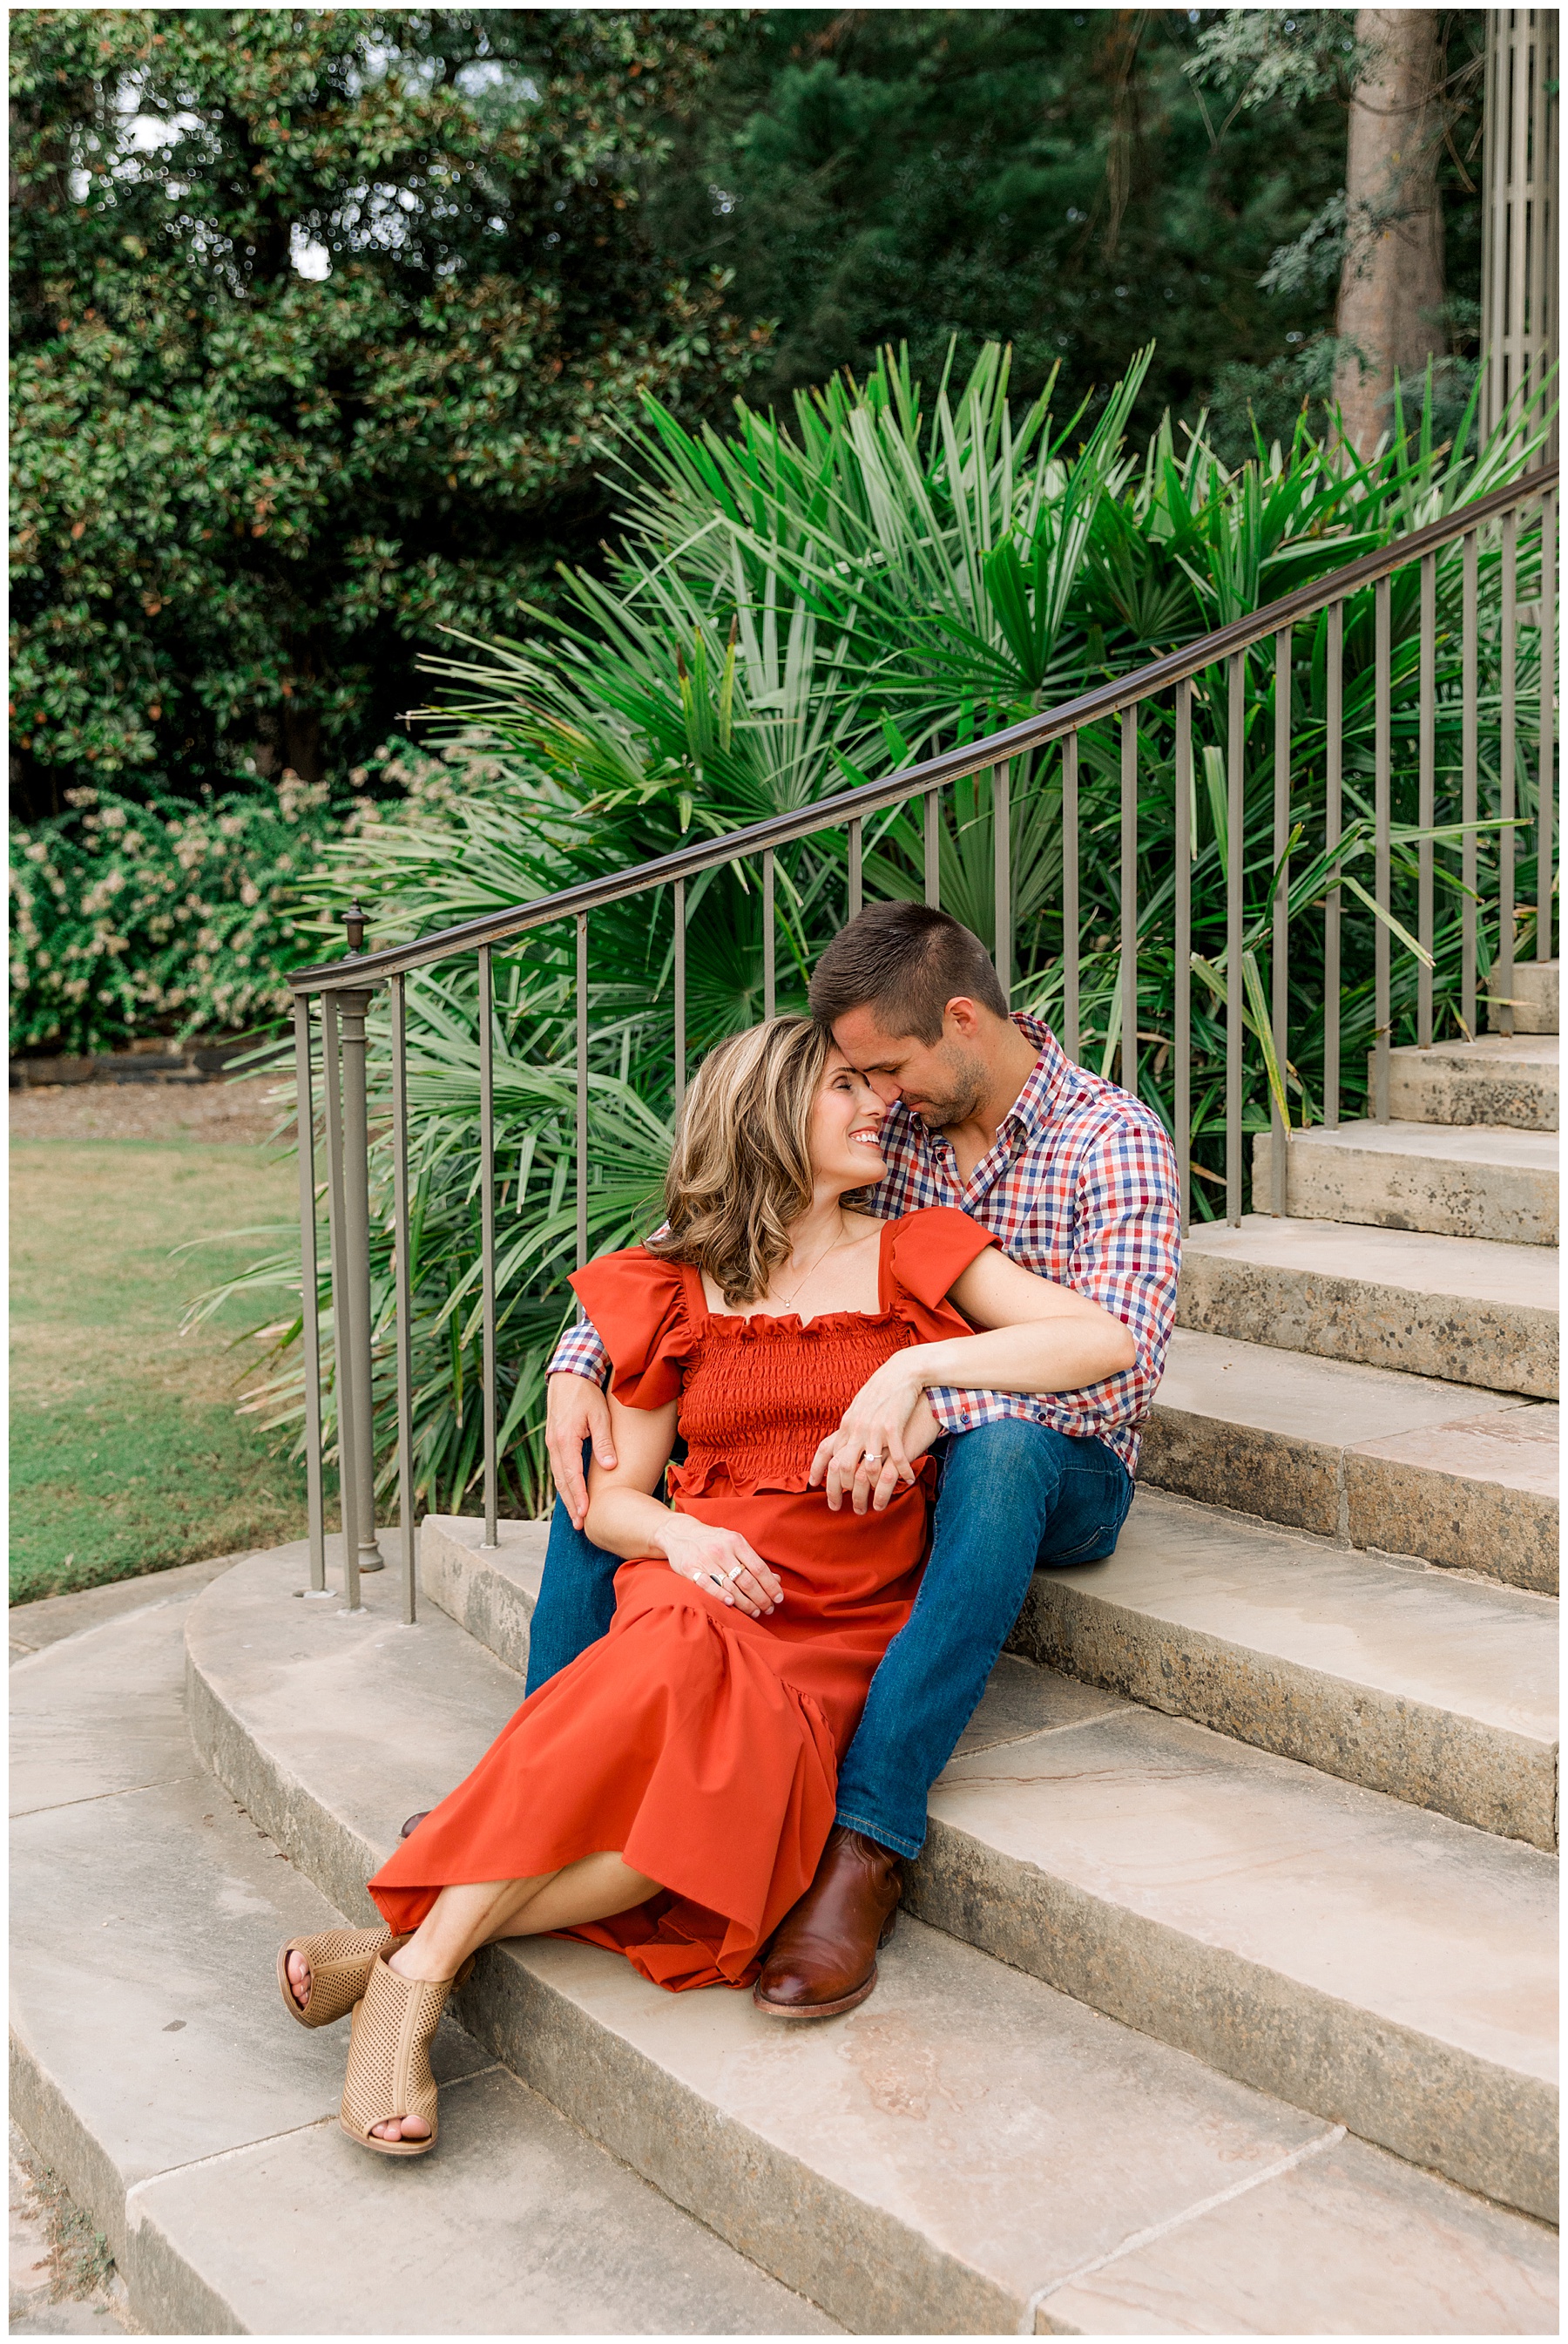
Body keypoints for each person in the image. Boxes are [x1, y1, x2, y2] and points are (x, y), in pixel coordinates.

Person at [276, 1013, 1138, 2155]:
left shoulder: (920, 1246)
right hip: (702, 1587)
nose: (877, 1101)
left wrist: (919, 1364)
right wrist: (680, 1542)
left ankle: (395, 1944)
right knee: (674, 1645)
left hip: (834, 1630)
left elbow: (1099, 1339)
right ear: (770, 1117)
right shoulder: (678, 1290)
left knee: (683, 1846)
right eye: (842, 1087)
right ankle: (418, 1981)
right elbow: (615, 1496)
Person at [542, 902, 1181, 2020]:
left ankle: (869, 1842)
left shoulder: (1108, 1137)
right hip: (876, 1468)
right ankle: (541, 1777)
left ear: (964, 1021)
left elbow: (1117, 1371)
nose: (876, 1098)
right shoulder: (894, 1134)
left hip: (1057, 1468)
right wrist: (580, 1356)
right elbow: (723, 1232)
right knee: (601, 1465)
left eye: (884, 1069)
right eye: (855, 1080)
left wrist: (927, 1388)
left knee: (1004, 1445)